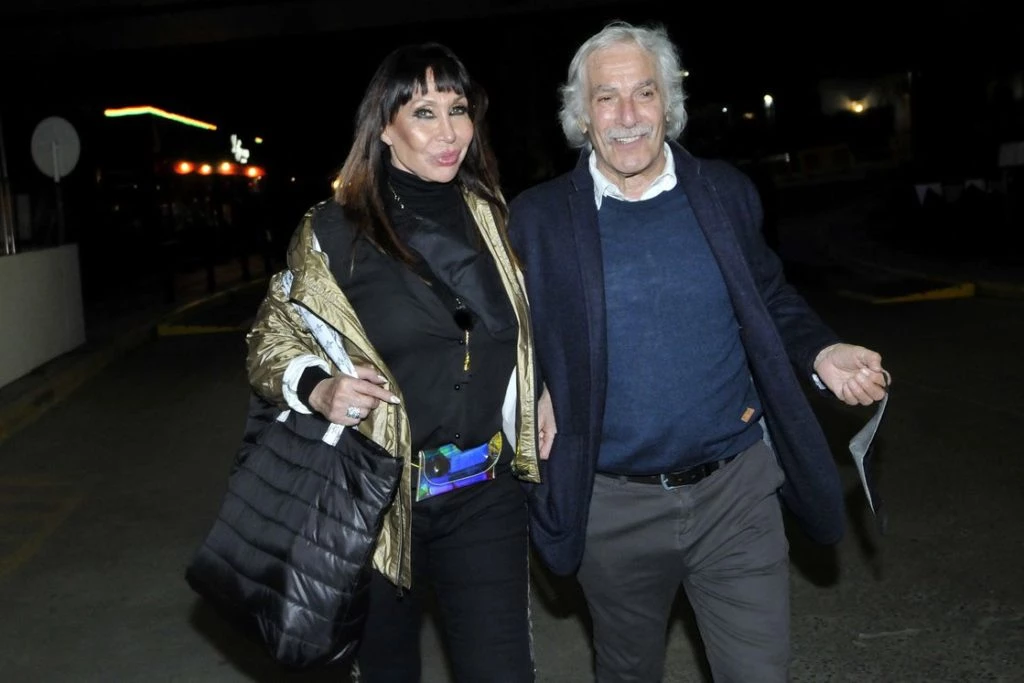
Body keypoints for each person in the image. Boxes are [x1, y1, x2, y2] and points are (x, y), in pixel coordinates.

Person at [508, 21, 890, 683]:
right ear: (582, 115)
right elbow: (508, 328)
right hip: (611, 506)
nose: (628, 115)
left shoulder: (724, 192)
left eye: (644, 93)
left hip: (736, 492)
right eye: (606, 98)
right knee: (627, 670)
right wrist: (539, 380)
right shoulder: (537, 218)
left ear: (668, 103)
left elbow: (767, 293)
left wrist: (821, 350)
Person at [245, 42, 540, 682]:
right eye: (424, 113)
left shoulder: (493, 215)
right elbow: (270, 337)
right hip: (376, 504)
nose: (449, 132)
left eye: (458, 109)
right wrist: (318, 387)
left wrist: (535, 388)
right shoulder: (333, 232)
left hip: (485, 493)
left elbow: (516, 329)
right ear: (384, 127)